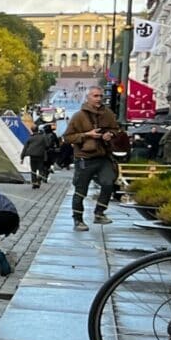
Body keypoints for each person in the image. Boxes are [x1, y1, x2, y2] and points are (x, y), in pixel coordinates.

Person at [64, 87, 122, 232]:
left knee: (109, 183)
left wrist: (110, 134)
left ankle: (99, 212)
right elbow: (67, 137)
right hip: (85, 158)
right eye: (95, 96)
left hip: (103, 156)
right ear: (88, 98)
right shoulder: (79, 116)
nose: (99, 98)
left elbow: (116, 129)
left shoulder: (108, 114)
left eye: (101, 96)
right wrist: (87, 135)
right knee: (80, 190)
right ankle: (78, 220)